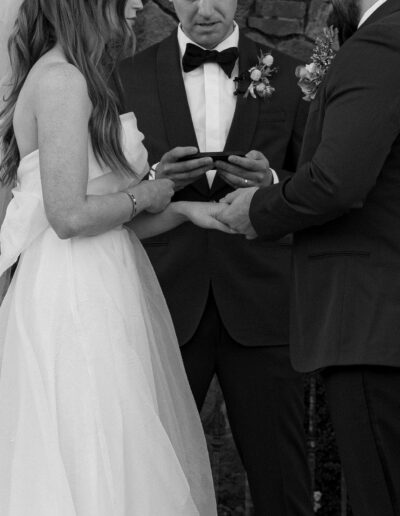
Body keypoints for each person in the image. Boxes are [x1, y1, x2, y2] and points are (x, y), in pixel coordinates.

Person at [0, 0, 232, 514]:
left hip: (105, 278)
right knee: (92, 444)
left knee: (117, 440)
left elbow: (111, 218)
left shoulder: (80, 77)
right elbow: (69, 216)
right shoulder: (61, 82)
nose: (136, 5)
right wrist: (142, 195)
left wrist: (181, 206)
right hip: (75, 295)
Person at [118, 1, 313, 514]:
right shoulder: (124, 76)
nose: (204, 9)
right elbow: (107, 187)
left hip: (264, 301)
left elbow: (322, 184)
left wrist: (271, 185)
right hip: (163, 302)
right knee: (154, 478)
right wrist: (157, 182)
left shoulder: (294, 76)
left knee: (282, 480)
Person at [217, 0, 400, 515]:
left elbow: (339, 182)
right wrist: (276, 184)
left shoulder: (380, 44)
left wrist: (260, 210)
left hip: (371, 323)